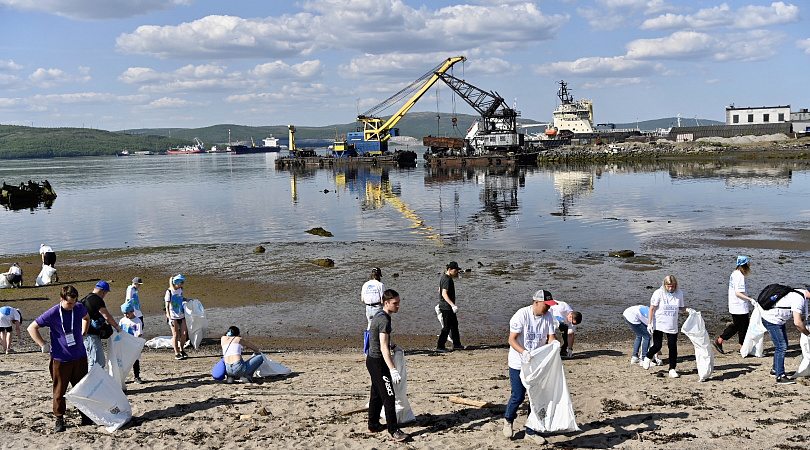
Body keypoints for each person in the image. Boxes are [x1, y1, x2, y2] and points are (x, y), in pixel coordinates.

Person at [27, 285, 94, 432]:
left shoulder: (79, 308)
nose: (72, 306)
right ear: (61, 299)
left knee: (81, 388)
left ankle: (85, 415)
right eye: (69, 303)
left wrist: (84, 332)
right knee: (59, 390)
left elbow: (86, 318)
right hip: (60, 358)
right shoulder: (53, 313)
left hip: (79, 357)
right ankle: (59, 419)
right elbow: (32, 328)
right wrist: (42, 344)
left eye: (74, 302)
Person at [503, 289, 557, 444]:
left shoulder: (548, 316)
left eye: (550, 305)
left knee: (536, 399)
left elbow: (550, 337)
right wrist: (524, 352)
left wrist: (554, 345)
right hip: (518, 362)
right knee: (518, 396)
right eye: (546, 305)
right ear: (536, 302)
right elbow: (512, 340)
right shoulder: (522, 315)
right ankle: (508, 420)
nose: (548, 308)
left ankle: (530, 431)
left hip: (537, 365)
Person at [366, 289, 409, 442]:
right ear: (386, 303)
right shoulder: (384, 320)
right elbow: (383, 347)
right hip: (378, 361)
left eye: (399, 302)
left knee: (377, 395)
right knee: (389, 396)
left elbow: (384, 340)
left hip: (372, 360)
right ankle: (394, 430)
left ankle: (373, 425)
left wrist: (394, 345)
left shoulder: (380, 314)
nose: (398, 306)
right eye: (395, 303)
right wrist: (393, 370)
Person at [642, 275, 692, 378]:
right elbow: (651, 308)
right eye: (668, 286)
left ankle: (672, 369)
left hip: (672, 324)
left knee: (672, 347)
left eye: (672, 286)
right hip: (659, 323)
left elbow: (681, 307)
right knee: (657, 345)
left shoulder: (679, 293)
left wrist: (688, 310)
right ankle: (648, 356)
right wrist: (650, 324)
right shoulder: (658, 293)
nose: (670, 288)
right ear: (664, 285)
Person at [760, 287, 810, 384]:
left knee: (782, 344)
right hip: (772, 320)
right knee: (781, 346)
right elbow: (797, 323)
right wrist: (807, 334)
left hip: (774, 318)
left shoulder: (800, 292)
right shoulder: (799, 299)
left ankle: (775, 369)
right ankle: (780, 376)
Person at [713, 256, 755, 354]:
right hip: (739, 306)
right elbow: (738, 292)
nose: (750, 265)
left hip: (735, 305)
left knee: (737, 326)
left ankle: (721, 341)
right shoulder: (739, 275)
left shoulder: (734, 273)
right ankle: (740, 347)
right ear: (745, 265)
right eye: (748, 263)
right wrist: (750, 299)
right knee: (743, 327)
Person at [82, 281, 120, 370]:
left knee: (97, 361)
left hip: (85, 334)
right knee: (97, 361)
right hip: (90, 335)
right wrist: (117, 327)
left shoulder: (84, 299)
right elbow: (106, 316)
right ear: (104, 292)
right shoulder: (97, 300)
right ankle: (91, 382)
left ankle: (95, 381)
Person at [436, 261, 462, 352]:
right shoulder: (447, 279)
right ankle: (440, 346)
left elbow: (439, 290)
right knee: (446, 327)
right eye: (456, 270)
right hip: (446, 307)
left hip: (445, 306)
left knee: (454, 325)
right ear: (450, 269)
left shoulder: (443, 277)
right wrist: (453, 305)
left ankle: (457, 344)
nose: (457, 272)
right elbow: (443, 293)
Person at [119, 301, 144, 383]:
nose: (126, 315)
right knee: (123, 361)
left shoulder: (137, 321)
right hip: (124, 344)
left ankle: (137, 376)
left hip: (133, 344)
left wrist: (134, 343)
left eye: (127, 313)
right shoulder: (123, 320)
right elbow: (119, 331)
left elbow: (139, 333)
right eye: (124, 313)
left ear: (132, 311)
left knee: (135, 360)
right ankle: (121, 377)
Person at [165, 274, 189, 360]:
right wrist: (169, 316)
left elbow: (181, 298)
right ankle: (176, 352)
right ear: (176, 283)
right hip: (173, 316)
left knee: (184, 333)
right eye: (180, 283)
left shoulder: (180, 290)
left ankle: (182, 349)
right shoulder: (169, 291)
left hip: (181, 314)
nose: (181, 285)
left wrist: (187, 300)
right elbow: (167, 305)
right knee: (175, 334)